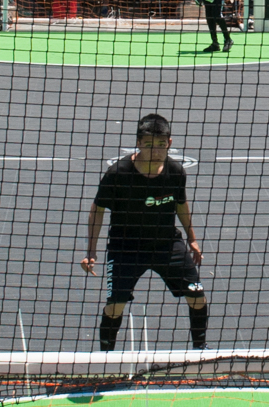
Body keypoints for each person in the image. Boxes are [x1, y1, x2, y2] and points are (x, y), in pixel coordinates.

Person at [82, 112, 210, 351]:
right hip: (125, 248)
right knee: (115, 304)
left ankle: (201, 350)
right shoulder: (118, 174)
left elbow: (181, 204)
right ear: (139, 143)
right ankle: (106, 356)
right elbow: (97, 210)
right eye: (149, 145)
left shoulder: (176, 172)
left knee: (197, 296)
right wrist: (92, 250)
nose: (155, 150)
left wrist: (192, 239)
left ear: (169, 144)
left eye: (162, 145)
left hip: (167, 245)